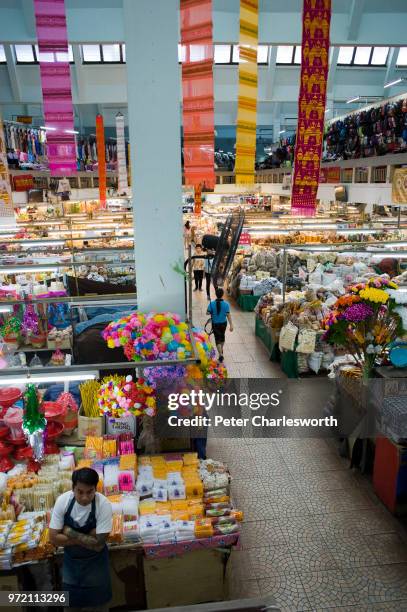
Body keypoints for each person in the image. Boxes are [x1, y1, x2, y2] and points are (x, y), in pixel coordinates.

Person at [49, 467, 113, 612]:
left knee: (99, 607)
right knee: (71, 607)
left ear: (95, 489)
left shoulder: (103, 505)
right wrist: (88, 538)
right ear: (73, 488)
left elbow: (98, 545)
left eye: (89, 492)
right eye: (80, 492)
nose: (84, 497)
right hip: (72, 567)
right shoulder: (63, 502)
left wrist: (68, 531)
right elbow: (53, 538)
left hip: (97, 567)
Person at [207, 287, 233, 362]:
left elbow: (207, 312)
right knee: (222, 337)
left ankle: (220, 354)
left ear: (216, 294)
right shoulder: (226, 304)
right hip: (223, 324)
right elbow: (228, 315)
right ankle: (221, 349)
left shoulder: (211, 304)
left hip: (215, 324)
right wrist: (231, 325)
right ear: (222, 295)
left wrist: (211, 312)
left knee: (217, 339)